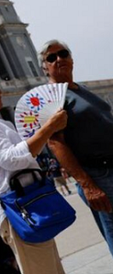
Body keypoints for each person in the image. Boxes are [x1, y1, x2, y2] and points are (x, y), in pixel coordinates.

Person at [0, 71, 67, 274]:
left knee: (51, 266)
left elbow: (25, 154)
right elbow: (11, 159)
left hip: (27, 202)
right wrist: (48, 128)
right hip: (17, 207)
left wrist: (45, 131)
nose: (0, 90)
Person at [40, 40, 113, 256]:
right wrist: (87, 184)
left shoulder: (82, 90)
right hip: (99, 175)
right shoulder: (50, 97)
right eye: (51, 58)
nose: (59, 59)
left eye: (63, 54)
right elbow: (55, 142)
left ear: (72, 59)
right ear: (44, 67)